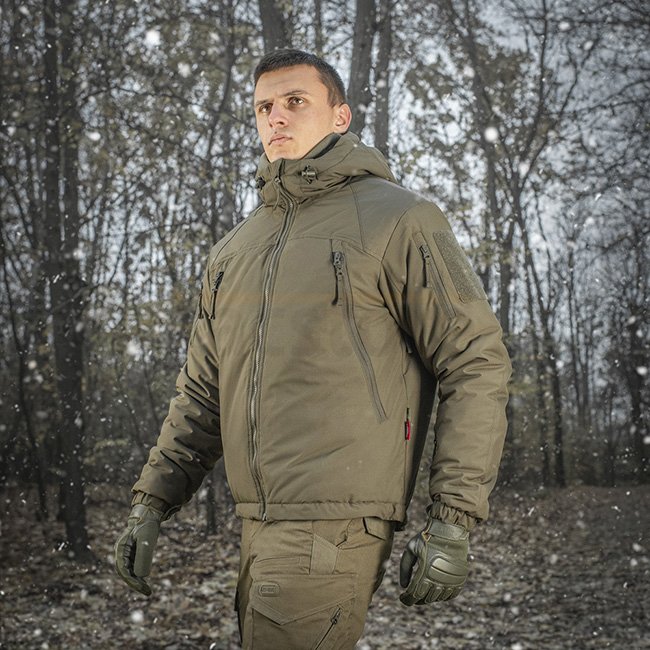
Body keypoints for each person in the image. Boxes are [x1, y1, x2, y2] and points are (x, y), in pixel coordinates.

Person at [115, 48, 511, 649]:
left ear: (340, 117)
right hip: (259, 521)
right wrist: (152, 502)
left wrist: (453, 519)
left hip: (335, 520)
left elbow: (475, 359)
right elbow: (202, 393)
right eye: (263, 107)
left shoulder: (401, 220)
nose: (275, 117)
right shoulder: (234, 250)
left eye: (295, 101)